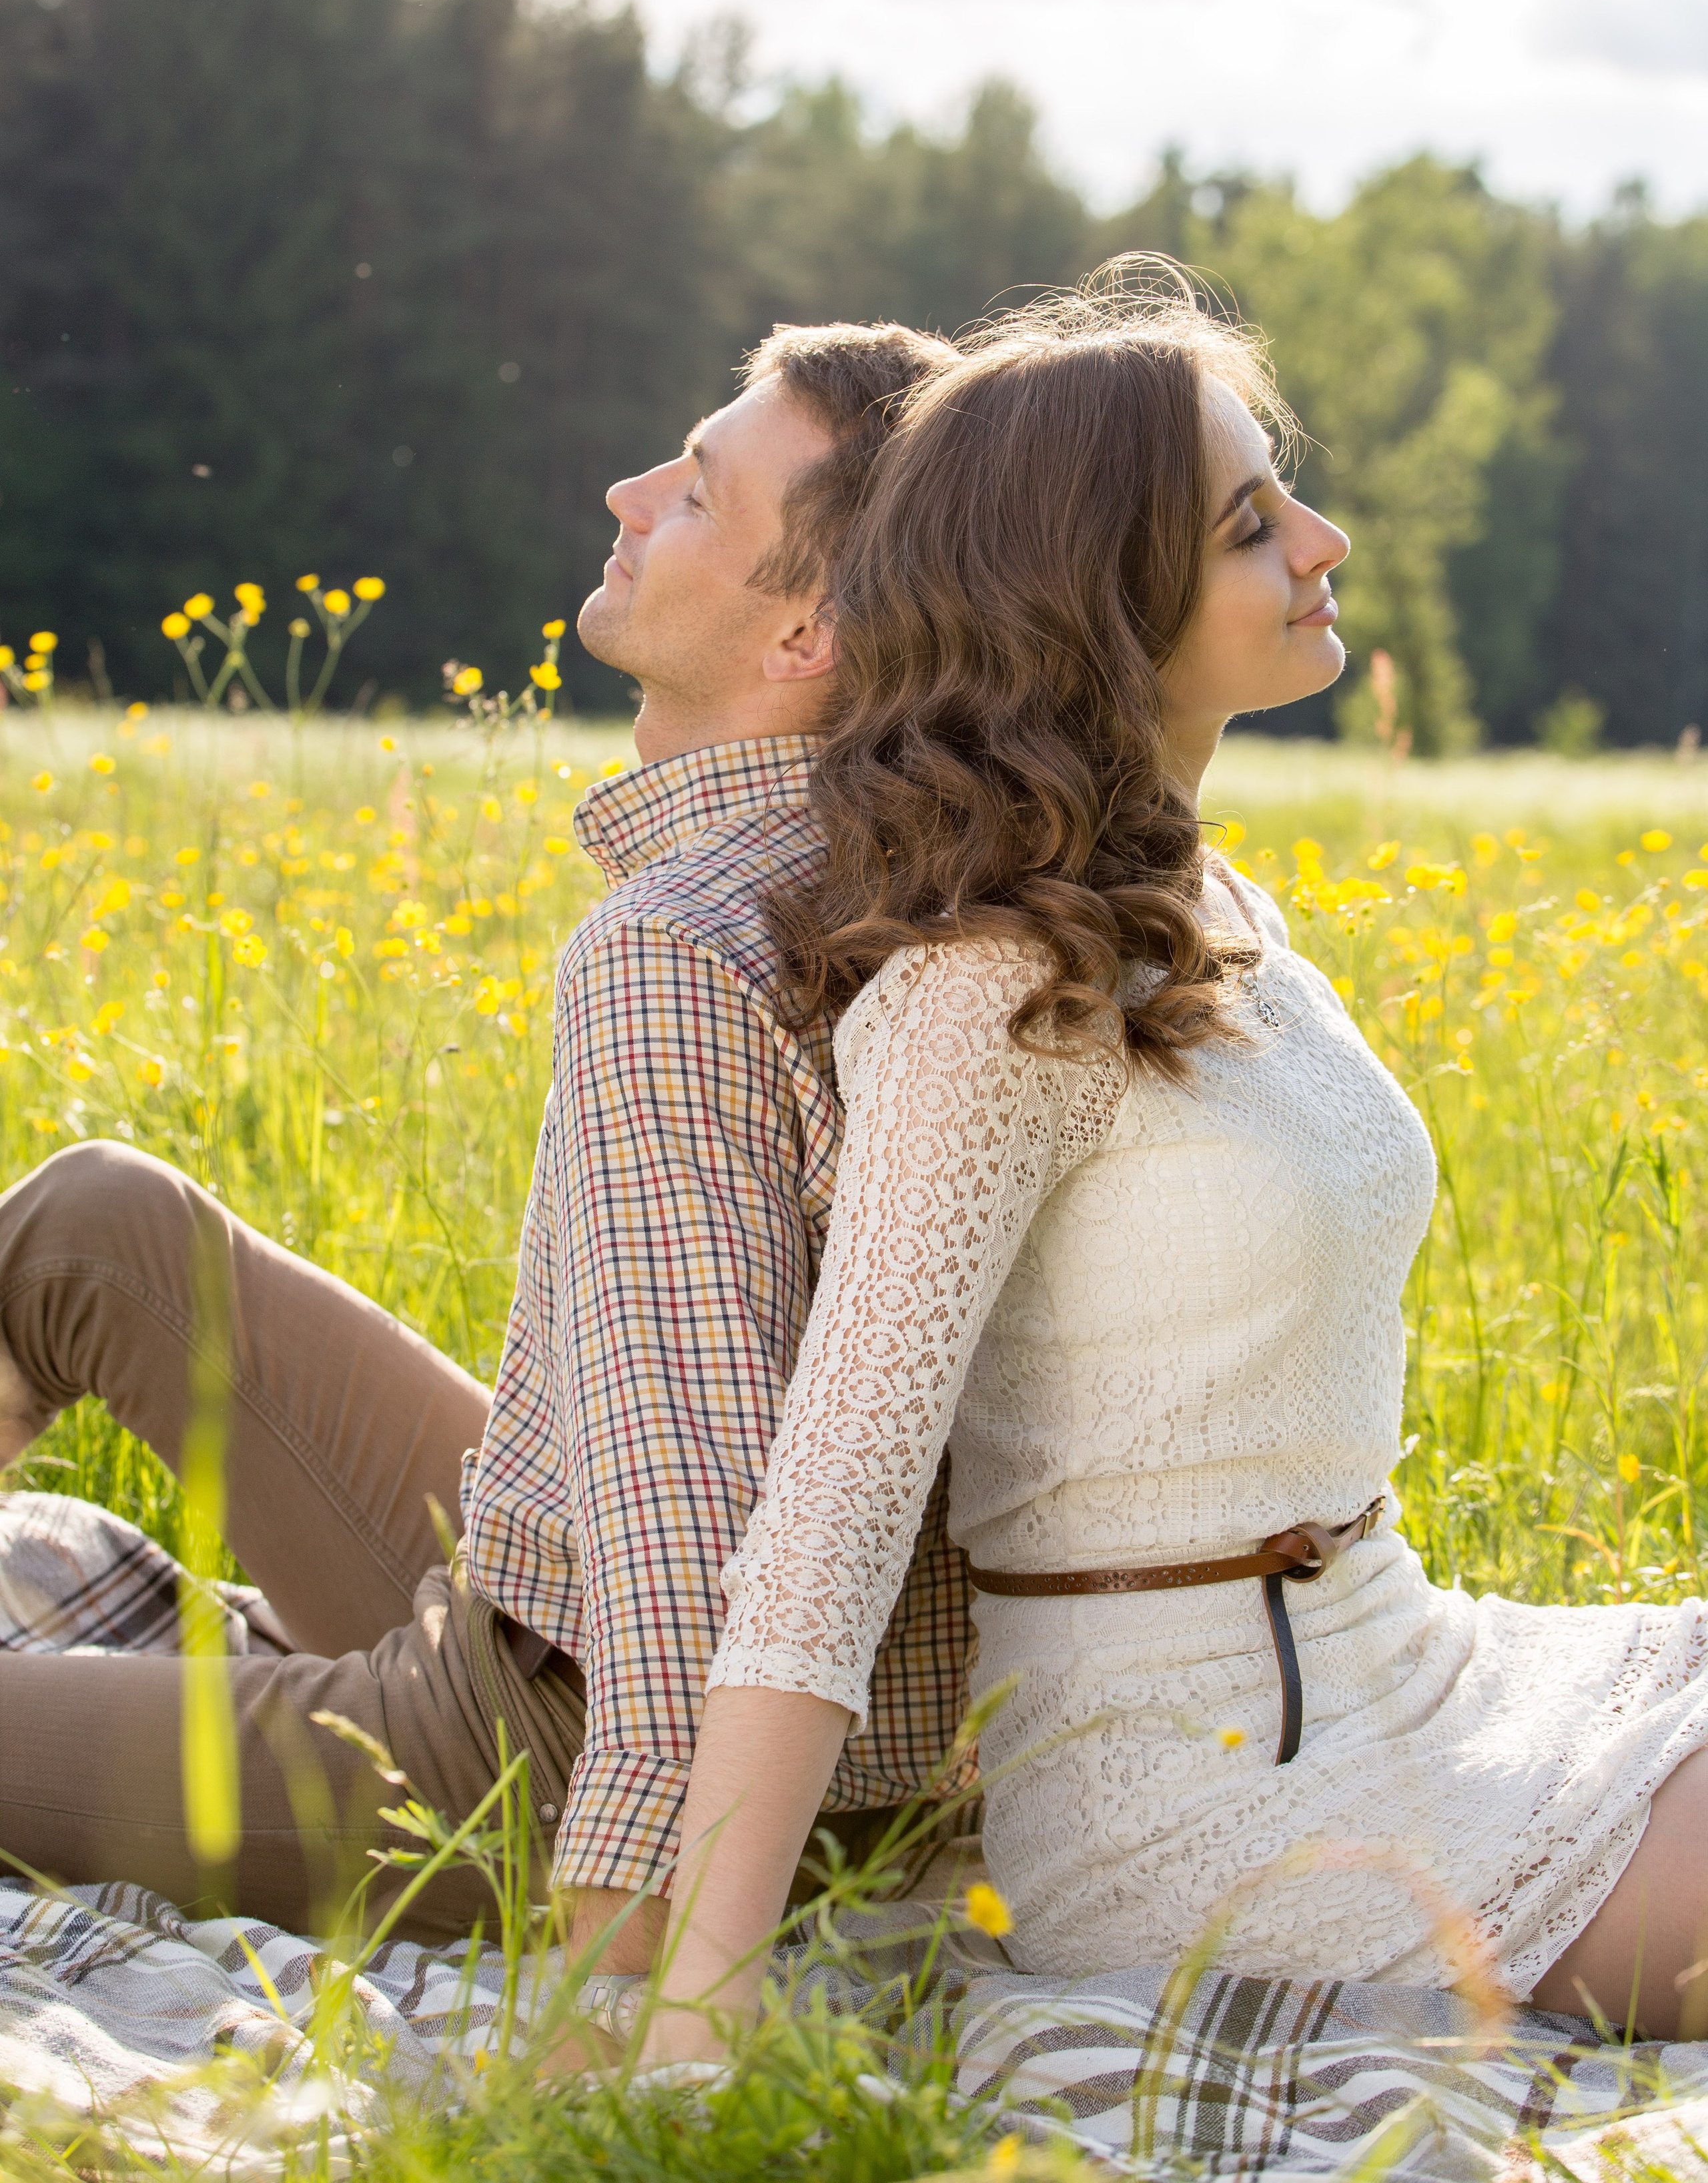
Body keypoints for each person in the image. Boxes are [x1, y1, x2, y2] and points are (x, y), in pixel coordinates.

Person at [642, 272, 1708, 2064]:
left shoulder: (1205, 907)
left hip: (1416, 1671)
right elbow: (823, 1529)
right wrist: (690, 2012)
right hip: (1206, 1807)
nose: (1323, 535)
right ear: (1100, 605)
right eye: (1247, 523)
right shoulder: (991, 991)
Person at [0, 317, 972, 1950]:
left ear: (805, 627)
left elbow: (694, 1553)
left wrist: (641, 1975)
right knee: (99, 1223)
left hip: (563, 1752)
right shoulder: (914, 863)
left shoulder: (690, 948)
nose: (626, 491)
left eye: (694, 495)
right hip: (569, 1608)